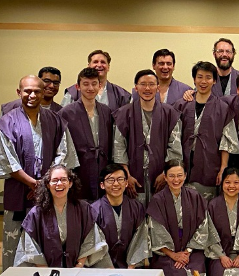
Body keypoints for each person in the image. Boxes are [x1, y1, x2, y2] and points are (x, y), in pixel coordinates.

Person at [0, 75, 79, 270]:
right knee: (14, 240)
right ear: (19, 92)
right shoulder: (7, 122)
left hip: (49, 189)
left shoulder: (55, 120)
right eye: (27, 91)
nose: (32, 95)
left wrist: (44, 183)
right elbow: (6, 158)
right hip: (18, 190)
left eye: (37, 91)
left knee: (47, 237)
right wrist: (32, 183)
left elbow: (63, 153)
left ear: (43, 92)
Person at [15, 164, 111, 268]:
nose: (59, 184)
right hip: (45, 271)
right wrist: (45, 270)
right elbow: (30, 246)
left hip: (78, 269)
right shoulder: (36, 213)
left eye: (63, 179)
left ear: (70, 183)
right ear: (48, 184)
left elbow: (91, 238)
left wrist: (79, 265)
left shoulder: (84, 209)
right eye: (55, 180)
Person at [113, 70, 182, 204]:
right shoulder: (123, 114)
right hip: (132, 176)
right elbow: (119, 147)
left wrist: (165, 173)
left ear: (158, 87)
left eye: (151, 84)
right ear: (136, 88)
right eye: (143, 84)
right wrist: (126, 175)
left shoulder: (170, 114)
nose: (147, 88)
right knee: (135, 215)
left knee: (159, 214)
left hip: (161, 174)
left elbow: (175, 148)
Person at [174, 61, 239, 200]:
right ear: (194, 79)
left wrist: (223, 168)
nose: (203, 81)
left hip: (210, 162)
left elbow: (226, 141)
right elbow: (172, 138)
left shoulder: (223, 108)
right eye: (200, 77)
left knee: (206, 204)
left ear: (214, 81)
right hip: (182, 162)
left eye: (208, 77)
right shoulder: (182, 104)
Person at [147, 160, 215, 276]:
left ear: (185, 176)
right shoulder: (157, 200)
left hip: (191, 250)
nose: (176, 180)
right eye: (171, 176)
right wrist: (174, 255)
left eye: (179, 175)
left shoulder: (195, 196)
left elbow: (203, 225)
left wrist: (187, 252)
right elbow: (155, 230)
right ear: (165, 177)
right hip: (167, 252)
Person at [58, 68, 113, 201]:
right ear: (78, 86)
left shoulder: (106, 111)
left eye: (94, 83)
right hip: (79, 168)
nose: (90, 88)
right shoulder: (66, 113)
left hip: (102, 165)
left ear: (100, 86)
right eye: (86, 84)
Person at [91, 164, 150, 269]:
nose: (116, 184)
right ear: (102, 185)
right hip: (102, 266)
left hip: (131, 266)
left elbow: (141, 236)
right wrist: (108, 267)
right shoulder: (93, 210)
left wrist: (132, 265)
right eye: (110, 180)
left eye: (120, 179)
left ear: (126, 183)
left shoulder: (136, 207)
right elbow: (95, 242)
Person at [61, 50, 131, 112]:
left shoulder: (121, 95)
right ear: (89, 66)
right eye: (95, 62)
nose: (99, 65)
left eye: (103, 62)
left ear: (108, 67)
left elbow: (125, 120)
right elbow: (63, 120)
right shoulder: (73, 93)